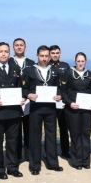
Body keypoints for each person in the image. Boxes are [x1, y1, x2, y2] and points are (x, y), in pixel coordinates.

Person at [22, 45, 63, 175]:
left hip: (51, 108)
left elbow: (60, 88)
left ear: (50, 56)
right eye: (42, 56)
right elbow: (23, 88)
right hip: (35, 108)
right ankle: (35, 165)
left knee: (51, 135)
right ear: (37, 56)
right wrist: (28, 95)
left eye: (46, 56)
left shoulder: (55, 71)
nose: (44, 58)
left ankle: (52, 163)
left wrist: (59, 95)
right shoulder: (29, 71)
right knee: (35, 136)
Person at [61, 52, 91, 169]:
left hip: (87, 110)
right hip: (73, 109)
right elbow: (63, 91)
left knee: (86, 134)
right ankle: (77, 161)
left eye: (82, 61)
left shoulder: (90, 74)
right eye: (78, 61)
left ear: (85, 62)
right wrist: (70, 103)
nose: (80, 63)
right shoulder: (68, 73)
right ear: (75, 61)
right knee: (75, 134)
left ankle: (86, 161)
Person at [0, 42, 25, 179]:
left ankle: (12, 167)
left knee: (13, 141)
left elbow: (21, 87)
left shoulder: (15, 68)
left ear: (9, 53)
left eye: (6, 51)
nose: (3, 54)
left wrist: (22, 98)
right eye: (1, 51)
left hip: (14, 111)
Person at [8, 38, 35, 161]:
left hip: (29, 101)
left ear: (25, 47)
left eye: (21, 45)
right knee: (15, 131)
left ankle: (29, 156)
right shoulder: (8, 62)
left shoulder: (31, 62)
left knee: (29, 129)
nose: (19, 47)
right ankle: (16, 156)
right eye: (17, 45)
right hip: (13, 101)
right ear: (13, 48)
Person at [49, 45, 71, 158]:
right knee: (50, 130)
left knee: (64, 128)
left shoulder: (65, 66)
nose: (55, 55)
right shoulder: (45, 66)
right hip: (49, 102)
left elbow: (68, 84)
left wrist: (63, 97)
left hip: (62, 102)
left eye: (57, 52)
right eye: (53, 53)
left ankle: (65, 151)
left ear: (60, 54)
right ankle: (51, 153)